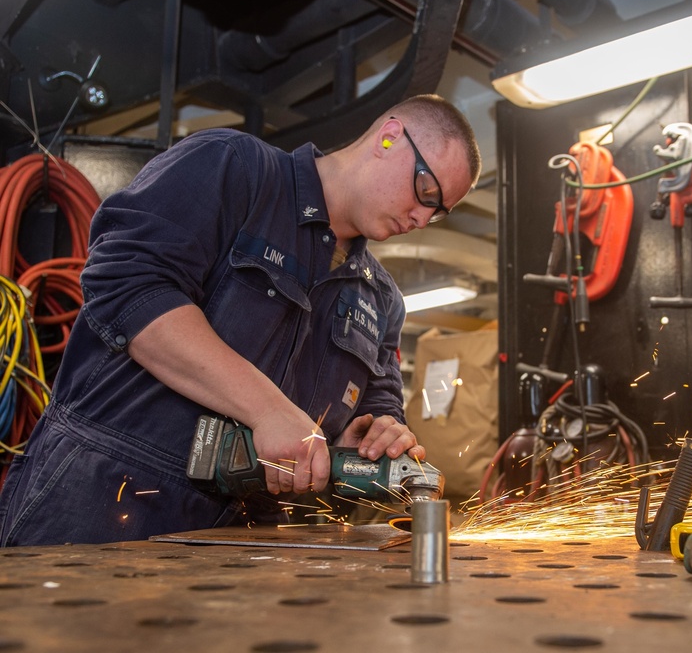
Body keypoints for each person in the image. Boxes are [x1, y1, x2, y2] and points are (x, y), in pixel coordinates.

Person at [0, 93, 481, 545]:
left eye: (438, 212)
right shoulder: (234, 169)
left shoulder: (382, 301)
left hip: (243, 537)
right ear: (390, 136)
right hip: (103, 495)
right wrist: (267, 409)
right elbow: (128, 285)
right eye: (425, 190)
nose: (422, 218)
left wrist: (372, 437)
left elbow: (378, 402)